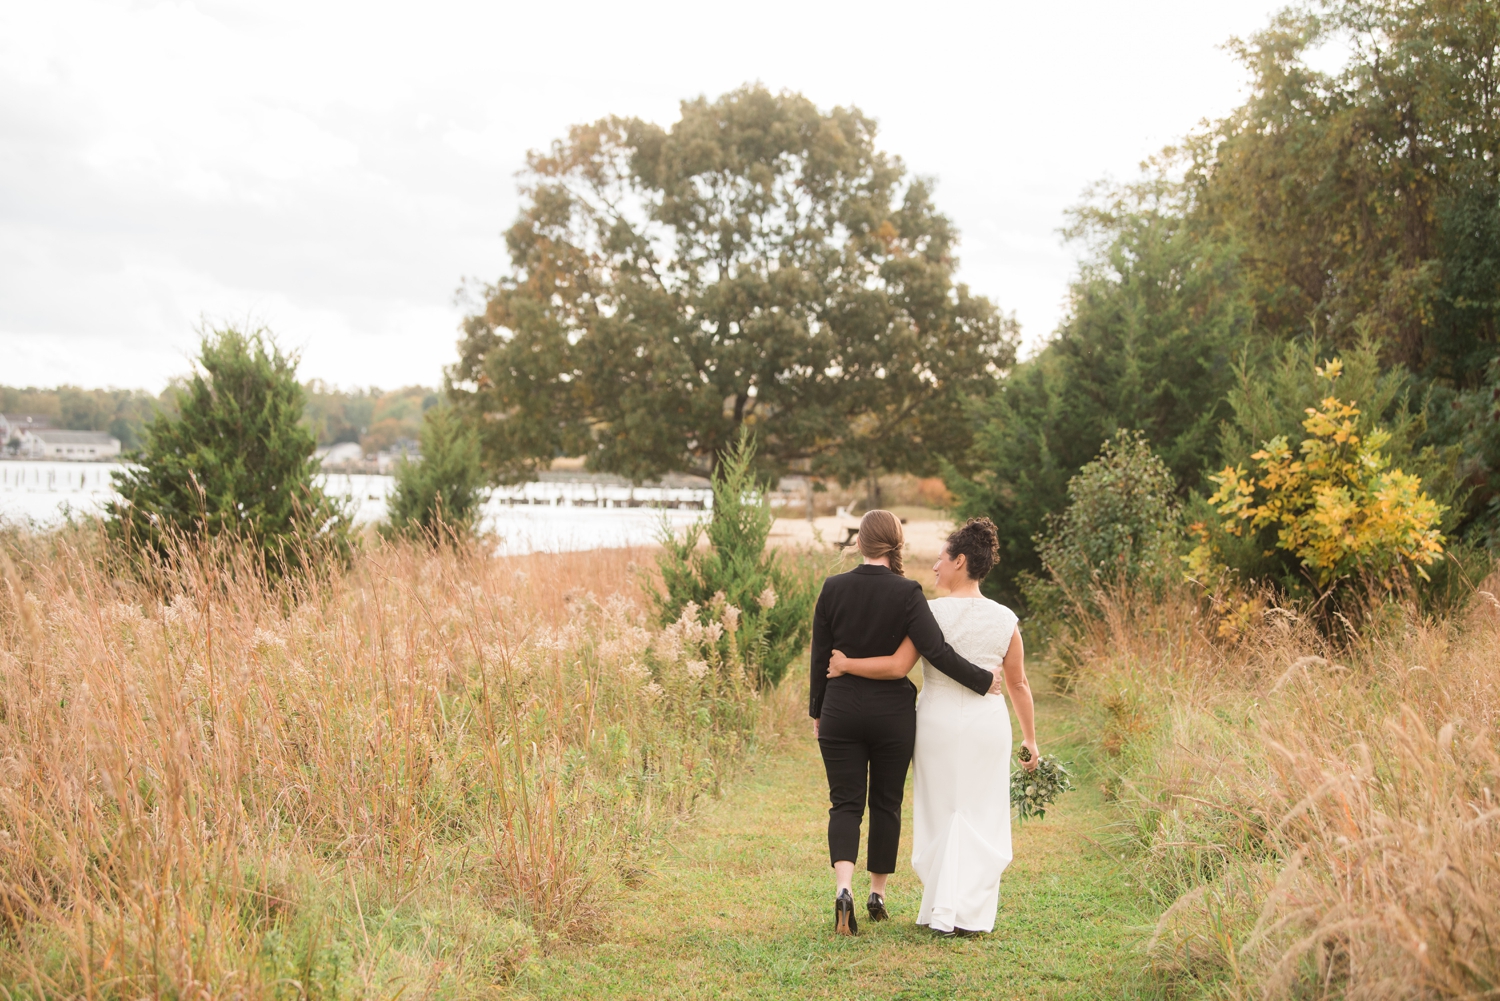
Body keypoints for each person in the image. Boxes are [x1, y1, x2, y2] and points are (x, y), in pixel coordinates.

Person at [827, 517, 1038, 936]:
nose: (935, 567)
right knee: (980, 811)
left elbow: (900, 665)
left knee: (941, 811)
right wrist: (1030, 738)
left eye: (941, 559)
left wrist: (845, 664)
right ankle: (970, 913)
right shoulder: (1004, 619)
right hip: (987, 725)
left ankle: (939, 907)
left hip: (937, 723)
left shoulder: (928, 612)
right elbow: (1017, 682)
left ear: (960, 561)